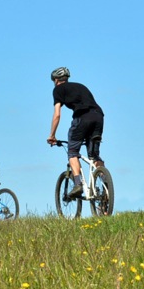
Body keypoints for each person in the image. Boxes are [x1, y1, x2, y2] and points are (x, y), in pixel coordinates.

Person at [47, 66, 105, 199]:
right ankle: (106, 183)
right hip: (99, 117)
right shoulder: (80, 86)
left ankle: (78, 184)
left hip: (82, 119)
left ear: (56, 80)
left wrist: (52, 135)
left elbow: (57, 115)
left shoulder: (58, 90)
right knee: (94, 156)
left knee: (72, 152)